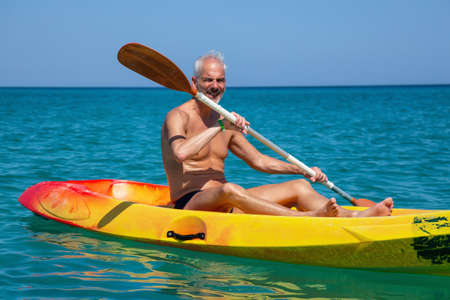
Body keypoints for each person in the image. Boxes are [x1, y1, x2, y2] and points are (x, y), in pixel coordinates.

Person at [161, 50, 393, 217]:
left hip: (227, 203)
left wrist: (303, 171)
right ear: (195, 82)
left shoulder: (224, 121)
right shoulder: (179, 116)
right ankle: (307, 218)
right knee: (231, 189)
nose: (215, 86)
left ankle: (355, 217)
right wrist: (220, 127)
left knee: (298, 187)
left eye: (220, 80)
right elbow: (181, 153)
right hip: (189, 203)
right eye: (208, 80)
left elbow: (260, 161)